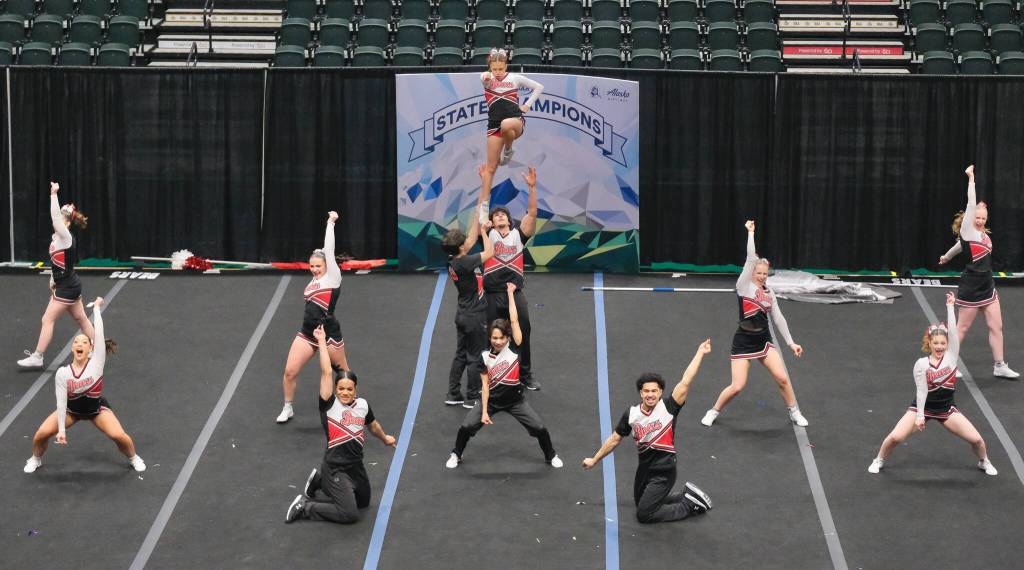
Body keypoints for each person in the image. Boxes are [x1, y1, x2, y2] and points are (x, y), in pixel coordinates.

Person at [583, 340, 714, 524]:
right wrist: (595, 459)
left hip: (664, 470)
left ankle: (689, 506)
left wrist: (700, 353)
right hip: (644, 469)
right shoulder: (632, 415)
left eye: (654, 390)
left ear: (660, 392)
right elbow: (614, 439)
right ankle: (685, 495)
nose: (650, 394)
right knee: (641, 503)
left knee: (645, 515)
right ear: (640, 393)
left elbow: (685, 381)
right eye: (646, 391)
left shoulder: (668, 407)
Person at [867, 292, 998, 476]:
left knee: (977, 440)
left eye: (942, 343)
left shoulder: (952, 357)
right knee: (896, 437)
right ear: (929, 343)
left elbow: (953, 330)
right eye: (935, 343)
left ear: (948, 344)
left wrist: (950, 307)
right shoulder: (921, 364)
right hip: (922, 407)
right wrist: (920, 416)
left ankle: (984, 461)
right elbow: (921, 391)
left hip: (946, 409)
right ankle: (879, 459)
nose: (939, 346)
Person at [701, 220, 809, 427]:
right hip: (743, 341)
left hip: (764, 340)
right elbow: (751, 258)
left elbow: (778, 318)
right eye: (758, 273)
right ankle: (713, 411)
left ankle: (794, 411)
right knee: (737, 386)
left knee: (782, 378)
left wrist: (791, 343)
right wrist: (751, 233)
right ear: (751, 273)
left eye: (765, 274)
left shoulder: (769, 293)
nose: (761, 276)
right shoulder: (744, 287)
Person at [285, 326, 396, 524]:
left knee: (363, 503)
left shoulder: (362, 405)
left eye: (349, 389)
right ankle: (306, 507)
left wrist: (385, 438)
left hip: (356, 466)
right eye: (341, 388)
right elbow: (327, 372)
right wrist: (321, 340)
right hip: (335, 468)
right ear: (335, 389)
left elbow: (373, 425)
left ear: (355, 390)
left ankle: (319, 482)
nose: (345, 392)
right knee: (349, 514)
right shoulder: (329, 405)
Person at [445, 282, 561, 469]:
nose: (497, 341)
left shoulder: (515, 347)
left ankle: (551, 455)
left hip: (516, 401)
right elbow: (484, 387)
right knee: (466, 427)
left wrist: (510, 294)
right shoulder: (484, 356)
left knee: (539, 428)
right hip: (491, 402)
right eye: (494, 338)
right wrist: (483, 412)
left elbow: (514, 320)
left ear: (507, 337)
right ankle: (455, 454)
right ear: (489, 337)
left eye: (501, 338)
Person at [24, 297, 145, 473]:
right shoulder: (63, 373)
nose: (79, 344)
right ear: (72, 349)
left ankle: (134, 457)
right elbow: (61, 402)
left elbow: (99, 333)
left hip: (96, 410)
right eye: (76, 342)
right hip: (71, 411)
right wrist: (61, 430)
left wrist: (96, 308)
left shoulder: (96, 362)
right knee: (40, 435)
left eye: (84, 342)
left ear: (91, 349)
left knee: (119, 435)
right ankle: (35, 459)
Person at [938, 165, 1018, 379]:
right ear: (971, 217)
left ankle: (999, 365)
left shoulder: (981, 235)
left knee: (996, 326)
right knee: (961, 329)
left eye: (983, 218)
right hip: (971, 287)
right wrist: (971, 178)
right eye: (977, 217)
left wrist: (946, 257)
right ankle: (947, 366)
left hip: (987, 286)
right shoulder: (968, 229)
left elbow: (959, 246)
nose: (980, 220)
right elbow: (971, 204)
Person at [277, 211, 351, 423]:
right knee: (290, 371)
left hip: (328, 333)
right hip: (308, 332)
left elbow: (329, 249)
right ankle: (288, 406)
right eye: (312, 266)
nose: (315, 269)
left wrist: (330, 223)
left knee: (343, 373)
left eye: (319, 266)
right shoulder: (311, 284)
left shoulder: (333, 277)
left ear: (327, 265)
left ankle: (351, 407)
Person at [18, 182, 95, 368]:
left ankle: (38, 356)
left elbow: (54, 218)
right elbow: (57, 263)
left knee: (47, 319)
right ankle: (97, 348)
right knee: (81, 318)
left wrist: (53, 194)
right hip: (68, 283)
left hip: (67, 287)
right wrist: (53, 279)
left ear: (66, 222)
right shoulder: (58, 238)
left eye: (61, 218)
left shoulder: (66, 237)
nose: (58, 220)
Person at [479, 166, 540, 389]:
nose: (500, 216)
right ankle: (490, 376)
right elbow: (482, 208)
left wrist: (532, 188)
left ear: (509, 219)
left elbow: (532, 214)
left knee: (523, 331)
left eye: (503, 213)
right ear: (492, 222)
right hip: (492, 295)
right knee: (490, 335)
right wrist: (486, 181)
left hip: (514, 293)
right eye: (496, 215)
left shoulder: (518, 236)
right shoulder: (488, 236)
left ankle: (525, 375)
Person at [441, 174, 494, 408]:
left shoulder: (455, 259)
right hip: (474, 315)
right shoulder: (466, 262)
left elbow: (469, 239)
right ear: (461, 247)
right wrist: (485, 231)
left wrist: (479, 207)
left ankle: (453, 394)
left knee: (460, 354)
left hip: (462, 314)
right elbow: (490, 252)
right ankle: (472, 396)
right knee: (476, 355)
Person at [478, 48, 543, 200]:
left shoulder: (515, 78)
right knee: (491, 168)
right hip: (494, 126)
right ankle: (483, 209)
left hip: (515, 121)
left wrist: (527, 105)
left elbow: (538, 87)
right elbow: (484, 77)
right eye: (494, 69)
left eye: (501, 68)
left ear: (506, 67)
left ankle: (507, 150)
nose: (498, 72)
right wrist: (487, 76)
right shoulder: (488, 79)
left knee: (506, 124)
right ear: (490, 68)